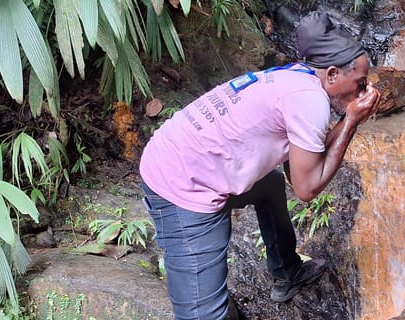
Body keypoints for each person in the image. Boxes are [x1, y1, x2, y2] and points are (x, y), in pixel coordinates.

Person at [138, 11, 379, 319]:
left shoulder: (294, 76)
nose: (363, 91)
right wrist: (352, 121)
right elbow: (306, 188)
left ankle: (286, 271)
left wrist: (347, 117)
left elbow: (297, 168)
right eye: (360, 83)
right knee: (202, 314)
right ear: (332, 74)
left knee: (271, 186)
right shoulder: (310, 100)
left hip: (181, 154)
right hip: (181, 184)